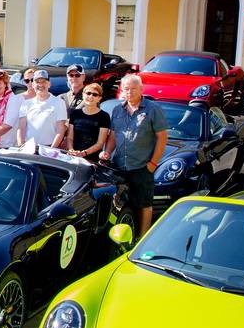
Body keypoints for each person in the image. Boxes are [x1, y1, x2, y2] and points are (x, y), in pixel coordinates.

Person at [103, 74, 168, 235]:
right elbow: (112, 135)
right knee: (120, 203)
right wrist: (108, 152)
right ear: (122, 91)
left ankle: (142, 237)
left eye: (133, 89)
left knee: (144, 204)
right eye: (126, 89)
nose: (130, 92)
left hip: (141, 166)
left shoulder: (153, 109)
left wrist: (152, 164)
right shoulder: (117, 110)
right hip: (119, 166)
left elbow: (162, 137)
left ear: (141, 89)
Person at [16, 69, 67, 148]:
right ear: (33, 85)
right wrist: (20, 145)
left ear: (49, 84)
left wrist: (52, 149)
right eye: (37, 82)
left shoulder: (59, 103)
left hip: (49, 148)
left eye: (43, 82)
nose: (40, 85)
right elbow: (21, 128)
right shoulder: (26, 104)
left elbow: (60, 130)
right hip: (28, 148)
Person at [63, 82, 110, 160]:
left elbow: (100, 143)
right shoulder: (75, 113)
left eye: (95, 94)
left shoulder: (104, 116)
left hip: (92, 159)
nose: (90, 96)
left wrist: (84, 153)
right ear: (83, 95)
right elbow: (70, 137)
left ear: (99, 98)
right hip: (73, 156)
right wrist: (71, 150)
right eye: (88, 93)